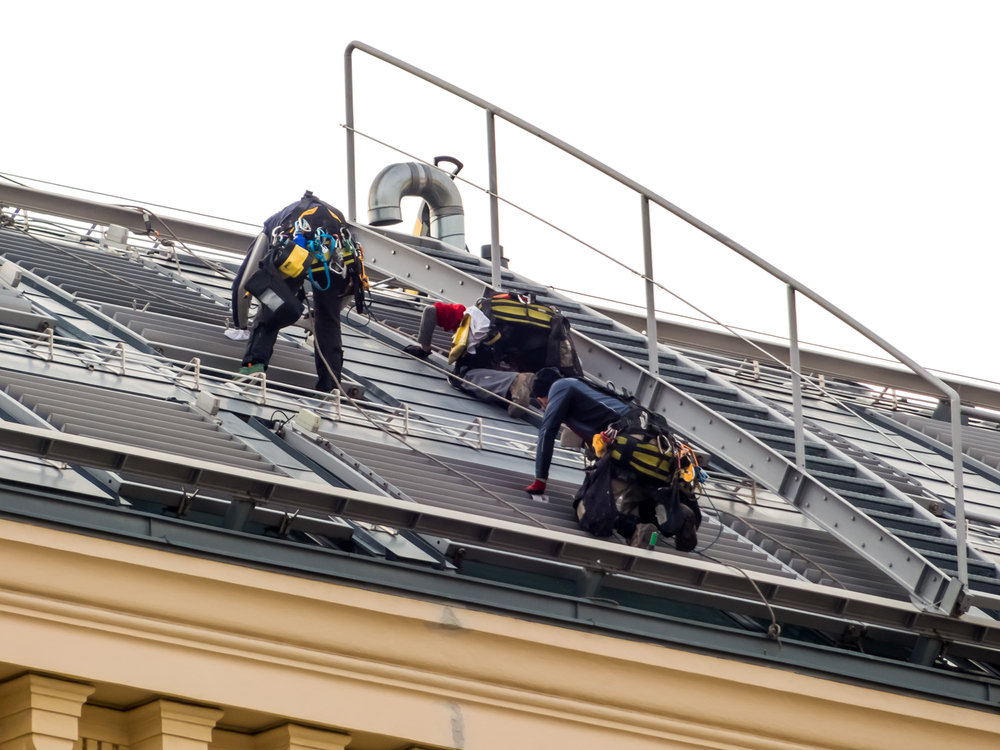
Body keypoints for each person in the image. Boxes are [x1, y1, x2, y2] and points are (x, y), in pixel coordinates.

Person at [525, 368, 701, 551]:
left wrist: (540, 480)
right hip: (658, 450)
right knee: (631, 509)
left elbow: (547, 431)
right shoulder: (588, 390)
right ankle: (677, 516)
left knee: (588, 508)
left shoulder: (561, 386)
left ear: (541, 399)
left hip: (630, 447)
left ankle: (634, 531)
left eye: (543, 405)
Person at [231, 192, 360, 392]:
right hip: (336, 257)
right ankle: (330, 387)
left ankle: (253, 365)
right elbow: (347, 289)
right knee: (329, 325)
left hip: (294, 252)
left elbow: (244, 278)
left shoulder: (272, 223)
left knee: (271, 301)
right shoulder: (338, 220)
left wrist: (240, 325)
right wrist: (321, 314)